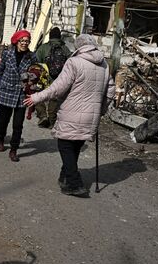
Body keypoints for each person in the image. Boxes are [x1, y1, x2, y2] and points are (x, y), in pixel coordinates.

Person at [24, 34, 115, 197]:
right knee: (75, 146)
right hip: (91, 116)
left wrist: (36, 97)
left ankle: (75, 183)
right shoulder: (104, 65)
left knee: (65, 146)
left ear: (78, 47)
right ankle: (64, 176)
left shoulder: (74, 62)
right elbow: (110, 92)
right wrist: (100, 110)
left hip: (71, 113)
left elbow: (58, 88)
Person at [0, 30, 38, 162]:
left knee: (18, 124)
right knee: (3, 120)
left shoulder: (32, 57)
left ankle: (14, 150)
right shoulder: (7, 54)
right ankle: (0, 140)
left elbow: (36, 73)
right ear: (17, 41)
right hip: (6, 90)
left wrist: (32, 80)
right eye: (22, 41)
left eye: (27, 41)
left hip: (22, 94)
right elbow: (0, 71)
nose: (25, 43)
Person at [35, 27, 71, 128]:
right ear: (60, 37)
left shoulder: (43, 48)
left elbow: (36, 62)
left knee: (39, 95)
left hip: (44, 77)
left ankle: (42, 116)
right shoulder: (65, 48)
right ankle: (51, 121)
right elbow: (70, 63)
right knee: (54, 98)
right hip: (59, 78)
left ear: (50, 36)